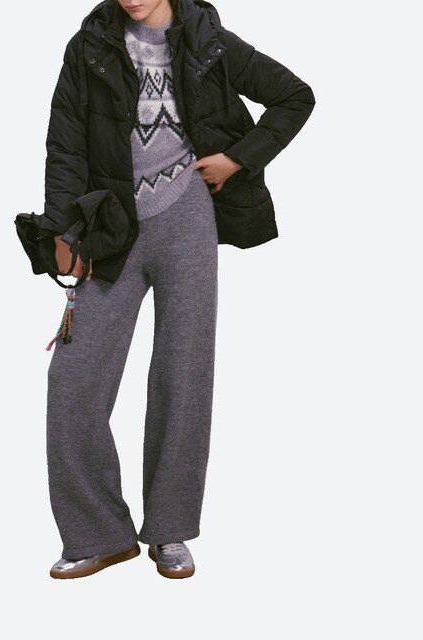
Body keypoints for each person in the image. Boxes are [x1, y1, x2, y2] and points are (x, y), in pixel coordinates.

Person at [38, 0, 315, 580]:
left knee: (182, 373)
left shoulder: (209, 38)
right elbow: (65, 144)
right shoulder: (88, 45)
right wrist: (62, 230)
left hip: (188, 218)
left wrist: (238, 159)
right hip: (110, 225)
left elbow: (295, 96)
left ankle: (169, 529)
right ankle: (97, 534)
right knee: (73, 378)